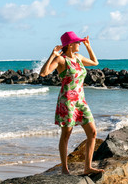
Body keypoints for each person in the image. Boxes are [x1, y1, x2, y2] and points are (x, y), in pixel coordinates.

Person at [40, 31, 104, 175]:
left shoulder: (78, 57)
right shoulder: (61, 60)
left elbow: (95, 62)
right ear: (69, 45)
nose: (79, 43)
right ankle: (65, 168)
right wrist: (52, 55)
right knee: (66, 135)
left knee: (92, 133)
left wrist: (89, 46)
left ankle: (88, 167)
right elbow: (43, 73)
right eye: (77, 42)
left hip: (81, 100)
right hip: (67, 101)